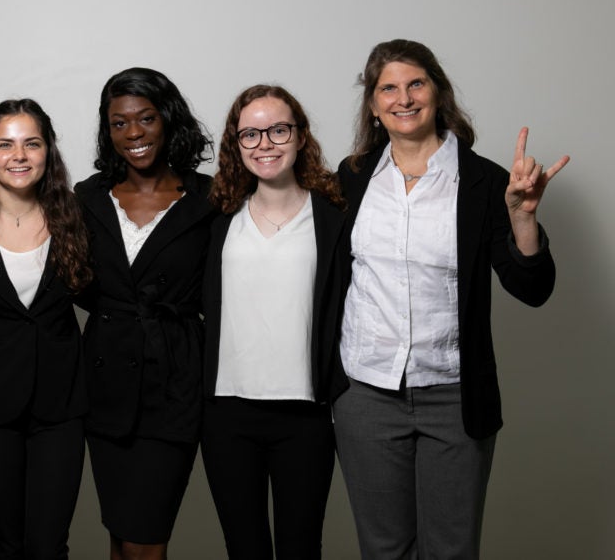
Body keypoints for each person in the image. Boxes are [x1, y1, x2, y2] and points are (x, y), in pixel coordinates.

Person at [333, 39, 570, 559]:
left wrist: (524, 219)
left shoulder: (485, 182)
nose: (404, 98)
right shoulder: (350, 179)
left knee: (451, 551)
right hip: (367, 394)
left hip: (454, 397)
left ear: (438, 92)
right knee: (383, 549)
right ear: (372, 105)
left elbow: (532, 289)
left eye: (415, 83)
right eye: (387, 88)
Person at [201, 85, 348, 560]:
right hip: (227, 411)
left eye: (278, 130)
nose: (264, 143)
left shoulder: (333, 218)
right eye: (250, 134)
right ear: (236, 144)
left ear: (300, 136)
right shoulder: (217, 218)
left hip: (305, 413)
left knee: (301, 548)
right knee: (244, 549)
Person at [0, 99, 91, 559]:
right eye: (5, 144)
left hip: (61, 408)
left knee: (49, 544)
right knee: (5, 541)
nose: (19, 155)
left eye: (32, 143)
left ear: (49, 151)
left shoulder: (78, 213)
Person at [75, 66, 214, 560]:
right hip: (104, 386)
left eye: (146, 118)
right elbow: (79, 283)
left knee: (144, 540)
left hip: (173, 385)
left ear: (168, 119)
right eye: (119, 123)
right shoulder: (87, 198)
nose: (133, 133)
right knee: (120, 533)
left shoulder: (209, 199)